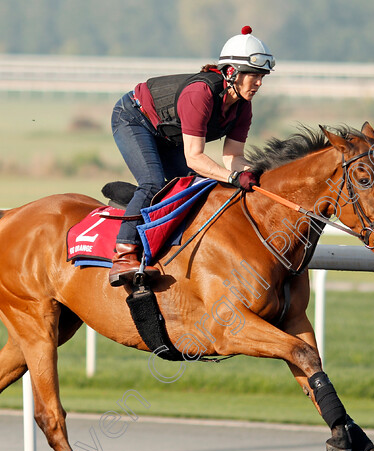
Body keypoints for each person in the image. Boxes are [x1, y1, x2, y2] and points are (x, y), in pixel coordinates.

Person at [108, 26, 274, 286]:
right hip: (133, 118)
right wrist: (233, 177)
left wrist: (256, 174)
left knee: (193, 188)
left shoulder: (243, 106)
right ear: (231, 73)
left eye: (262, 76)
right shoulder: (201, 94)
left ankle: (153, 225)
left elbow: (233, 157)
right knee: (152, 182)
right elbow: (195, 158)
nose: (259, 83)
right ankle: (124, 253)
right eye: (253, 75)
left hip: (167, 133)